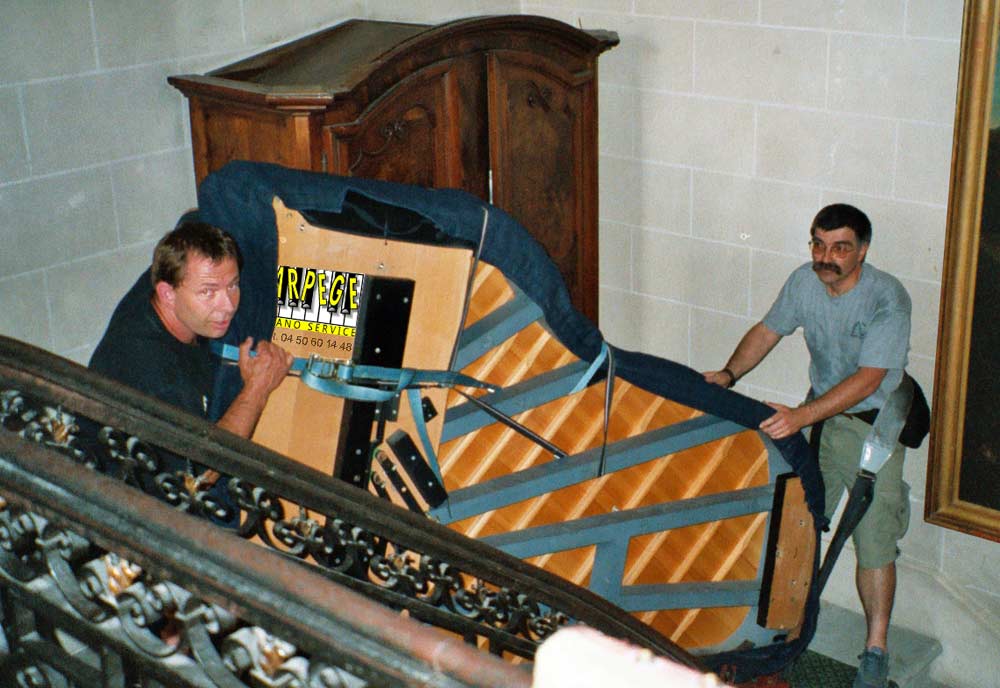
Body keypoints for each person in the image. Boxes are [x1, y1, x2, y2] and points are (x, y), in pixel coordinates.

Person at [704, 204, 911, 688]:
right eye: (818, 244)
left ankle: (875, 652)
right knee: (793, 529)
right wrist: (729, 375)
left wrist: (798, 418)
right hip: (821, 418)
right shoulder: (804, 281)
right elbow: (766, 331)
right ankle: (781, 641)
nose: (826, 257)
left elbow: (867, 381)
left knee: (874, 543)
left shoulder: (888, 298)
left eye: (839, 247)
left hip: (873, 427)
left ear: (862, 250)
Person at [90, 221, 293, 480]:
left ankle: (350, 308)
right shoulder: (157, 377)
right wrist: (258, 389)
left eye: (233, 285)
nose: (227, 305)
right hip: (153, 492)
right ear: (168, 294)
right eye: (208, 292)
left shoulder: (171, 272)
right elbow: (200, 475)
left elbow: (192, 218)